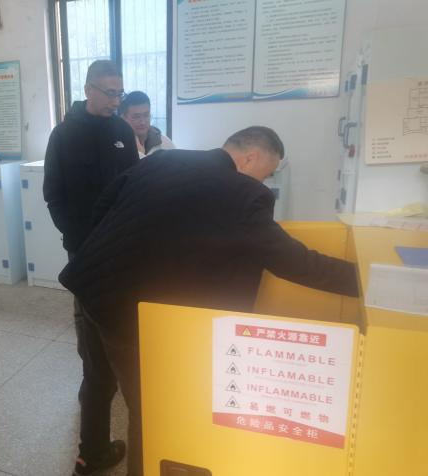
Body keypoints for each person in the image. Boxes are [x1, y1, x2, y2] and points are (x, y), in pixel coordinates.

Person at [58, 126, 360, 476]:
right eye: (268, 172)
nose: (265, 181)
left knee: (97, 380)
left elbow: (104, 206)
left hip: (90, 284)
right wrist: (361, 279)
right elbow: (293, 261)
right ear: (251, 157)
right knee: (149, 410)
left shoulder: (163, 160)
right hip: (128, 312)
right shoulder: (246, 194)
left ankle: (92, 456)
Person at [43, 60, 139, 475]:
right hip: (84, 254)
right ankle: (93, 446)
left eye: (120, 93)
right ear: (88, 89)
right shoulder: (63, 135)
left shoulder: (122, 132)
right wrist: (79, 240)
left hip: (121, 253)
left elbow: (134, 187)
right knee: (93, 349)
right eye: (110, 93)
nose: (116, 101)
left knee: (119, 342)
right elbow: (54, 195)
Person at [119, 91, 175, 158]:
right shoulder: (117, 145)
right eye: (136, 117)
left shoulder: (165, 143)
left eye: (146, 115)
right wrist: (139, 153)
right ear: (123, 118)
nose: (143, 122)